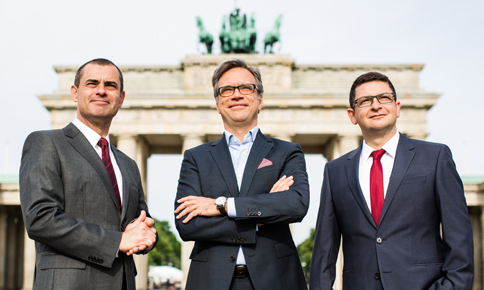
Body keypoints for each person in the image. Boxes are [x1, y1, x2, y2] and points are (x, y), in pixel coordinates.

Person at [309, 72, 474, 290]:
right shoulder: (335, 170)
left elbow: (459, 236)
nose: (375, 105)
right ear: (352, 115)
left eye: (384, 98)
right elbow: (324, 249)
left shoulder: (435, 157)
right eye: (365, 101)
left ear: (397, 107)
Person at [20, 58, 158, 290]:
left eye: (111, 86)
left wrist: (148, 235)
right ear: (75, 93)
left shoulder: (128, 164)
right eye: (92, 84)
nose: (102, 91)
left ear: (121, 98)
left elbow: (137, 221)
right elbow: (40, 219)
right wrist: (118, 241)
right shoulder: (46, 142)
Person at [174, 58, 309, 290]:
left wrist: (222, 205)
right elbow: (187, 225)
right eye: (226, 90)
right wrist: (262, 216)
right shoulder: (196, 157)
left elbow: (295, 205)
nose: (236, 95)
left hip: (276, 279)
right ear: (217, 103)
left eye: (246, 88)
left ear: (260, 100)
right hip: (210, 280)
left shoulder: (287, 152)